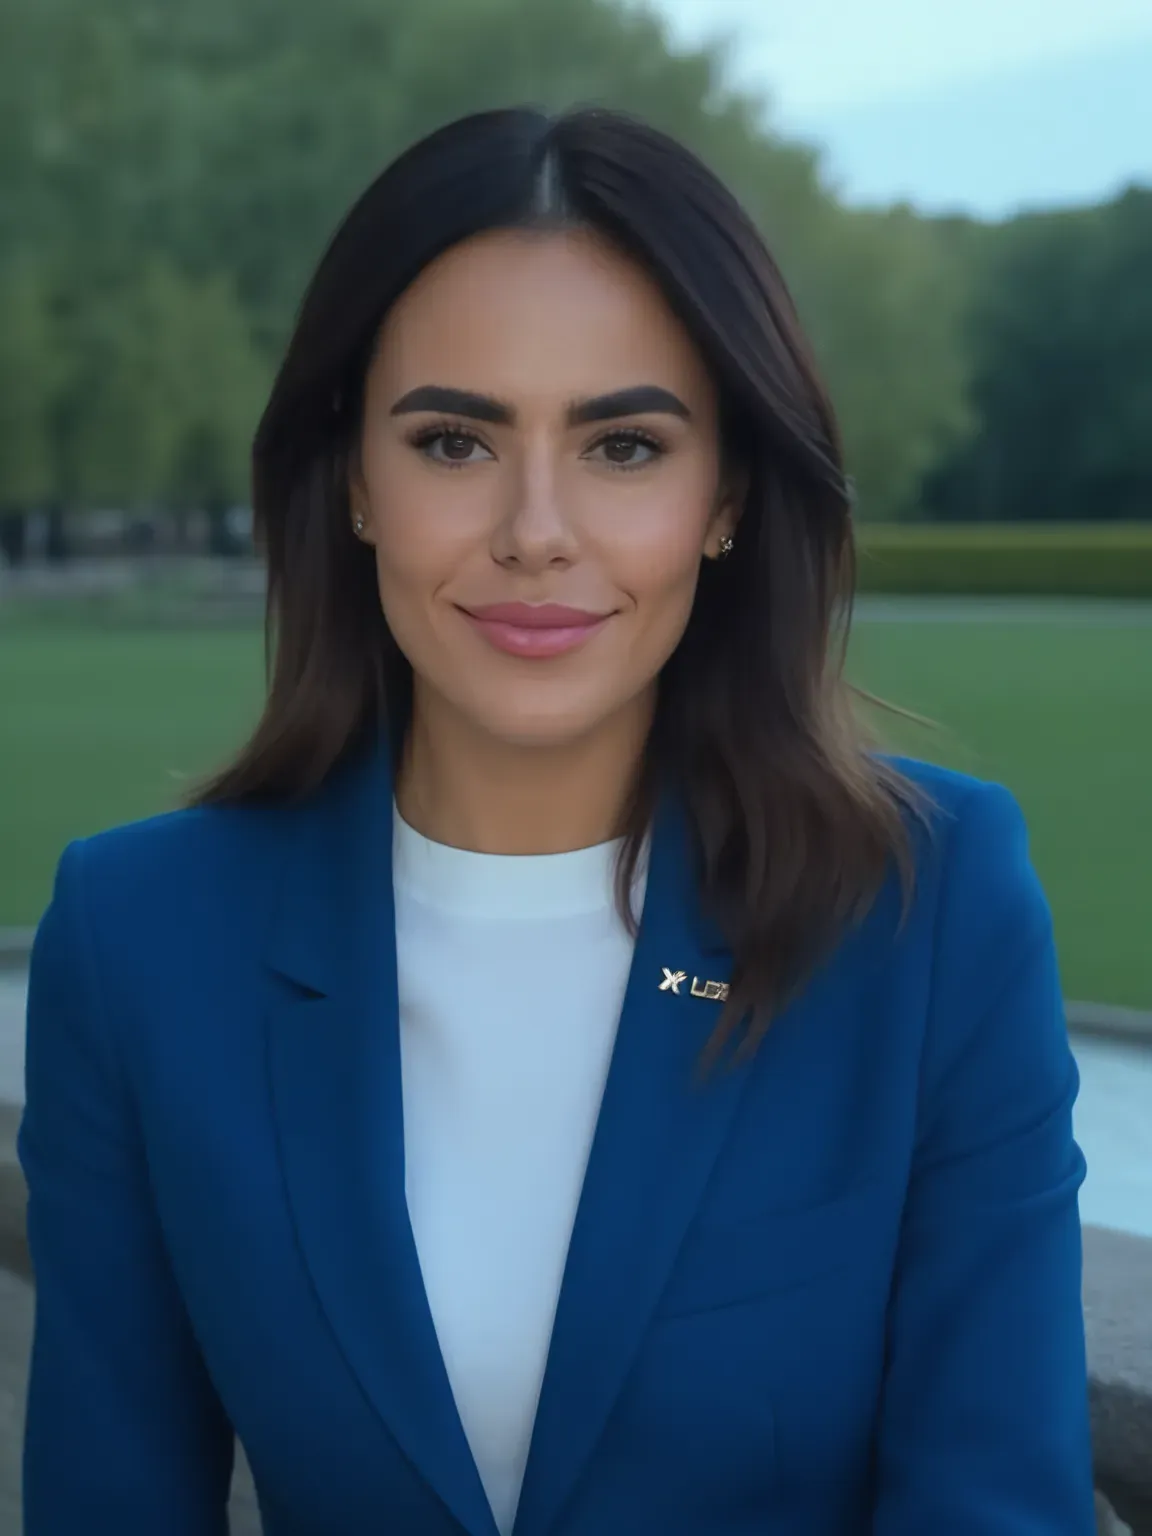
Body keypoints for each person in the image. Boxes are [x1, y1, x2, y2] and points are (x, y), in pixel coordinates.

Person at [19, 106, 1096, 1535]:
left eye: (626, 447)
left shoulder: (928, 908)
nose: (537, 529)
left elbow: (992, 1502)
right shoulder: (138, 938)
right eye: (456, 441)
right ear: (352, 480)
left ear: (726, 498)